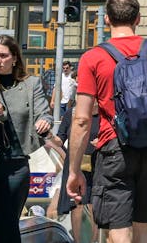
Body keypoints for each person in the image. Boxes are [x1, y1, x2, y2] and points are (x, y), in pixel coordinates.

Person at [66, 0, 147, 243]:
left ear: (107, 20)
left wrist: (74, 170)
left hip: (113, 149)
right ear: (139, 19)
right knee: (145, 228)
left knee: (118, 228)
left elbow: (81, 120)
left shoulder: (93, 57)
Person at [0, 34, 54, 243]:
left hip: (15, 164)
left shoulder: (31, 84)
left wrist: (45, 121)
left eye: (3, 56)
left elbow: (44, 112)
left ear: (14, 58)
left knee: (7, 225)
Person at [53, 101, 101, 242]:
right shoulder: (71, 114)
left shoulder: (104, 114)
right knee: (76, 204)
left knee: (94, 204)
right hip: (74, 164)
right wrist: (47, 135)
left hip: (97, 162)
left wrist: (102, 141)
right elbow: (59, 139)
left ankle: (93, 242)